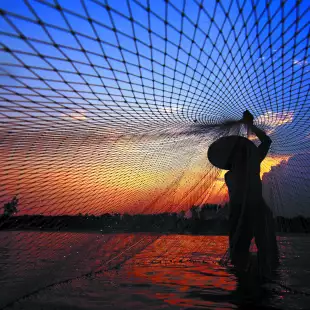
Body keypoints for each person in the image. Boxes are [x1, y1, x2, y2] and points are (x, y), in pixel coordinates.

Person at [208, 111, 279, 275]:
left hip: (255, 212)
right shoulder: (233, 174)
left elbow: (267, 141)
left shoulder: (249, 163)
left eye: (242, 150)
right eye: (237, 151)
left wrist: (250, 125)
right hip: (241, 215)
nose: (241, 153)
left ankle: (262, 283)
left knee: (267, 256)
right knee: (239, 259)